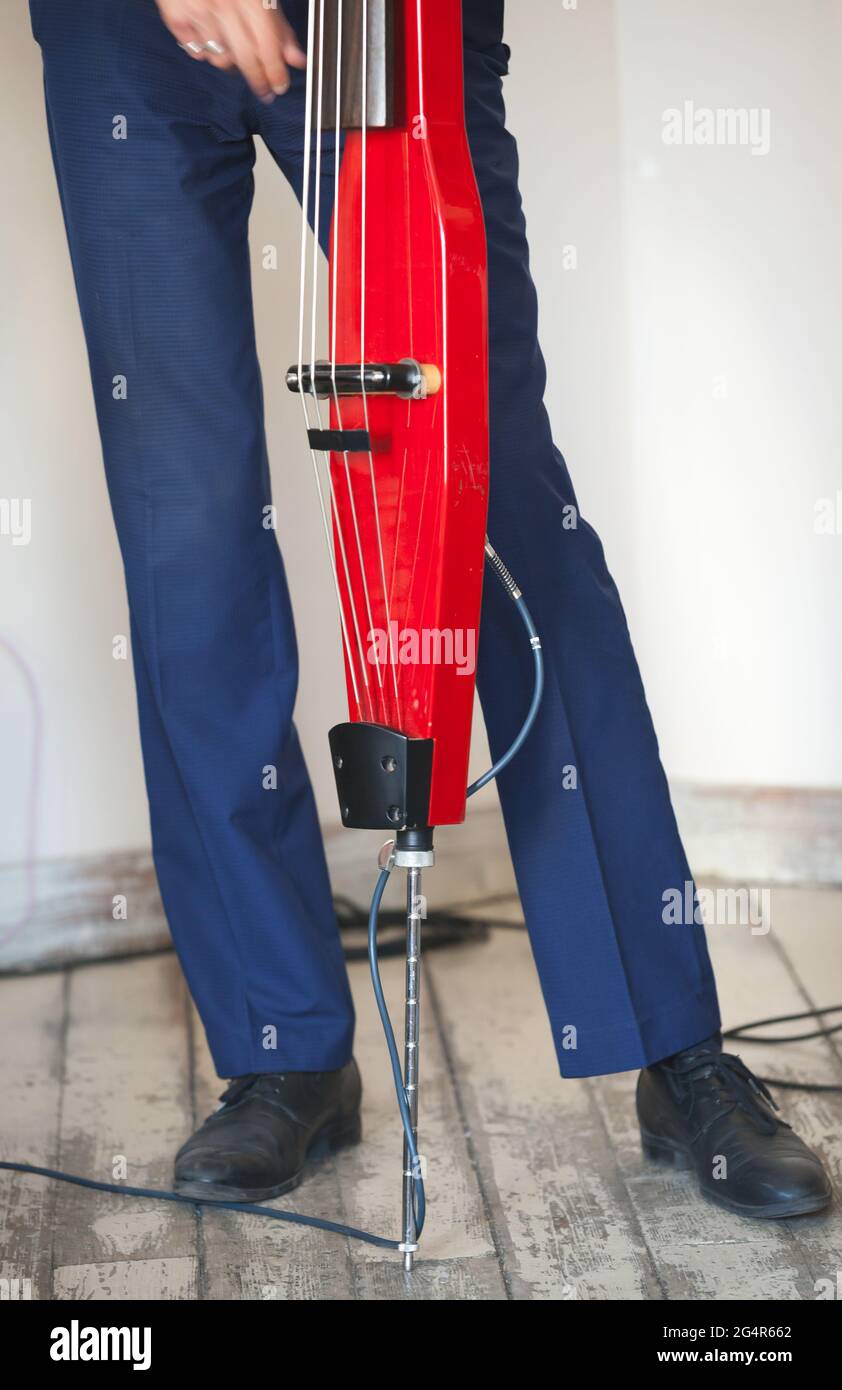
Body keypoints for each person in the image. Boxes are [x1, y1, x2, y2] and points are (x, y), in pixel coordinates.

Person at [29, 0, 831, 1220]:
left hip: (373, 14)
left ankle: (672, 1044)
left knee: (500, 498)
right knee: (184, 528)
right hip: (122, 28)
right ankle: (281, 1043)